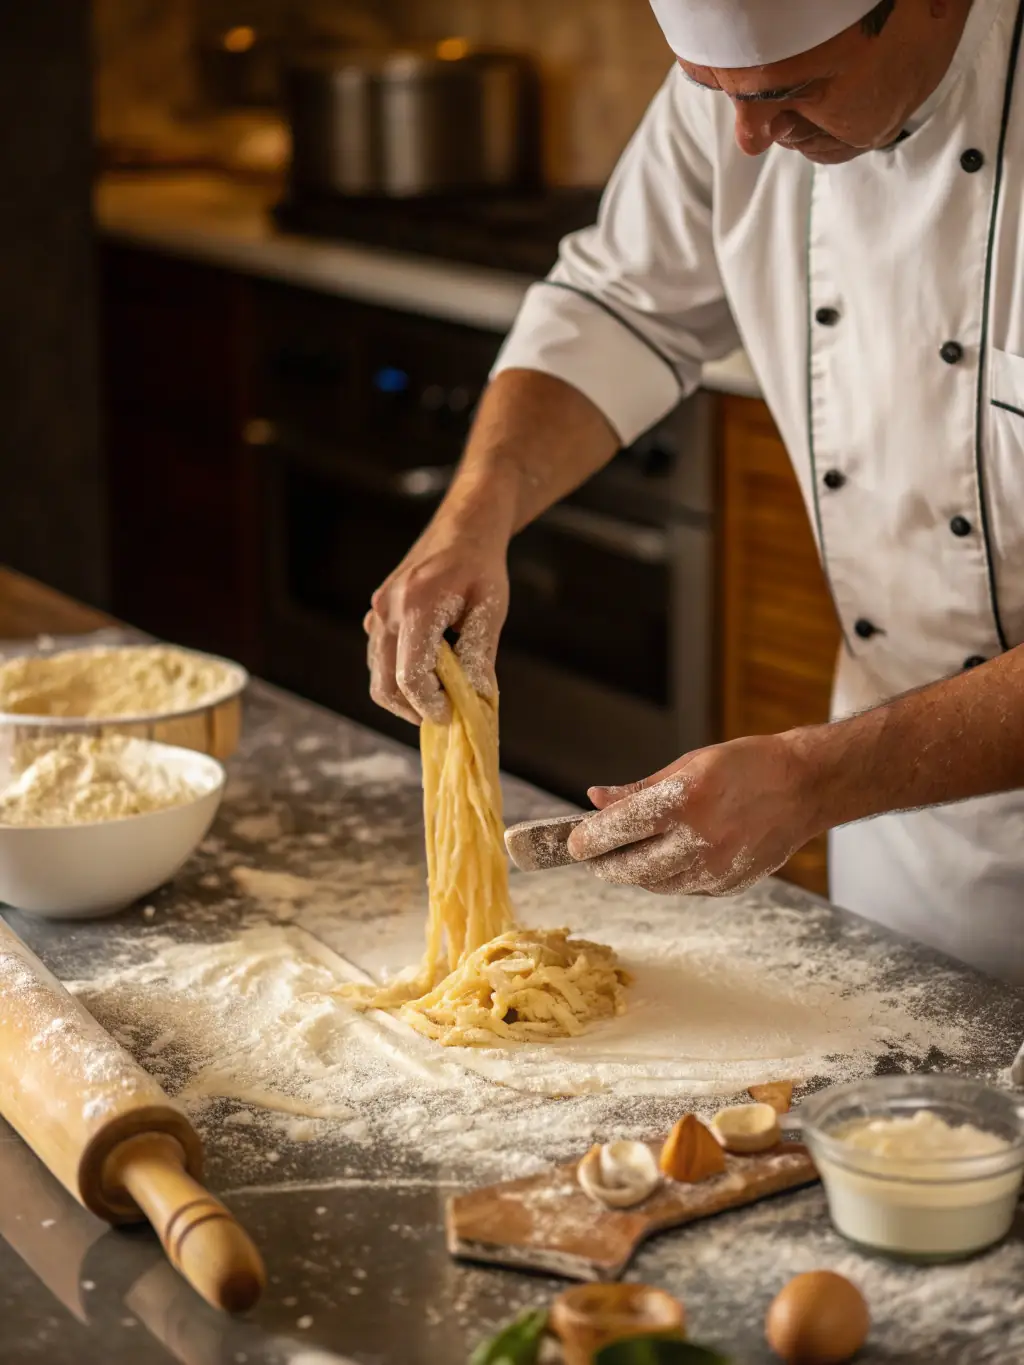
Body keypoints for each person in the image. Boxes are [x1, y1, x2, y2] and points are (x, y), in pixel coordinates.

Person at [365, 0, 1024, 984]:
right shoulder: (741, 104)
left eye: (791, 91)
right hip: (908, 844)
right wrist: (473, 515)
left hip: (860, 772)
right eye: (713, 90)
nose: (749, 141)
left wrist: (815, 777)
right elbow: (621, 305)